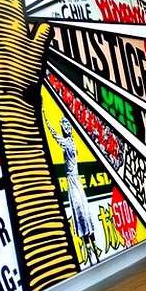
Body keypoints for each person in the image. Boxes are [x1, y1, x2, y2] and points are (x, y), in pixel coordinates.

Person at [44, 112, 100, 265]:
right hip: (74, 182)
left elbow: (56, 137)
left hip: (74, 182)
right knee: (82, 212)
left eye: (68, 125)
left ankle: (91, 251)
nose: (67, 128)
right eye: (65, 125)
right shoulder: (71, 142)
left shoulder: (69, 142)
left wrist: (47, 123)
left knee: (81, 212)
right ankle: (91, 251)